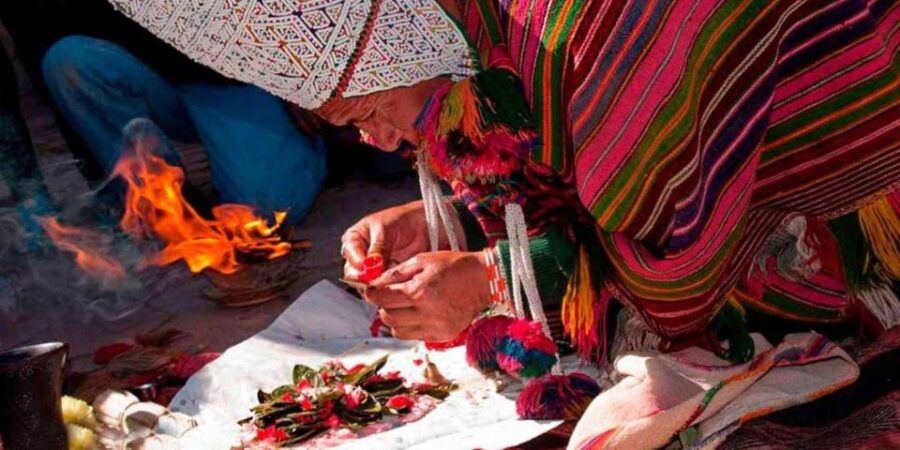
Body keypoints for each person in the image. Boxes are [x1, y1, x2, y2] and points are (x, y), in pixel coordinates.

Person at [107, 0, 900, 360]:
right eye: (349, 124)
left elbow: (675, 253)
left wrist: (493, 278)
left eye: (367, 108)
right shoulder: (480, 32)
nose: (375, 139)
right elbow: (563, 159)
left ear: (403, 44)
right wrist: (440, 216)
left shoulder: (581, 35)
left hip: (853, 183)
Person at [1, 0, 327, 226]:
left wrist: (303, 80)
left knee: (269, 213)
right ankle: (167, 211)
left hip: (237, 72)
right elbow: (48, 64)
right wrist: (106, 186)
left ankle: (321, 141)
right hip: (150, 75)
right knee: (67, 59)